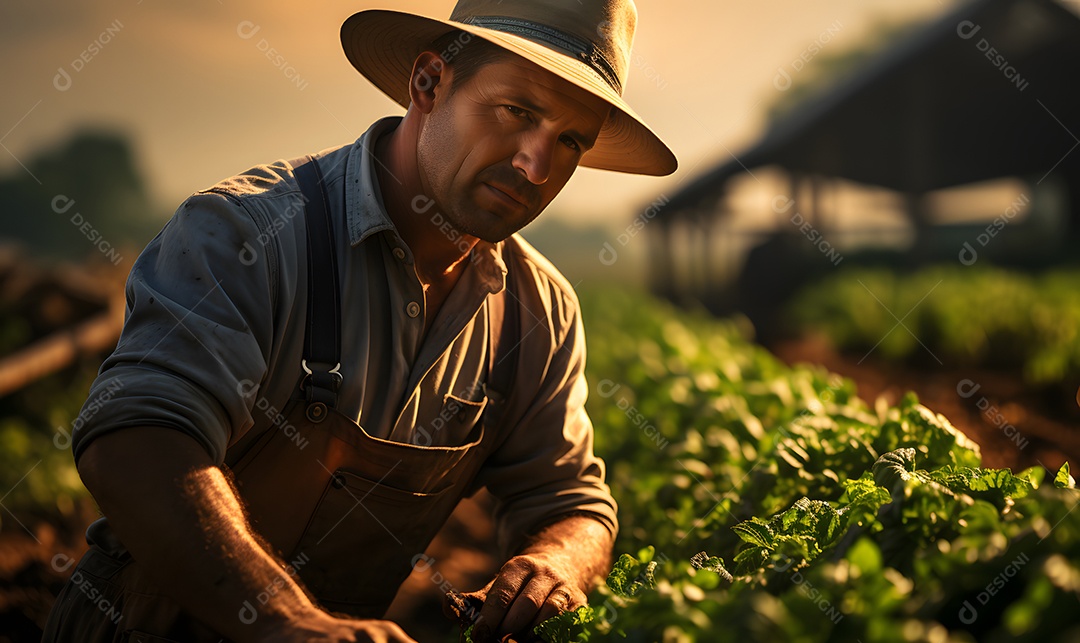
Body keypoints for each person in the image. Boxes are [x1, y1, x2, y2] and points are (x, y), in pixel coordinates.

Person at [42, 0, 676, 640]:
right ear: (428, 83)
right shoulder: (247, 235)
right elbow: (135, 442)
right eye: (519, 112)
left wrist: (554, 561)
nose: (535, 166)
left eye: (570, 140)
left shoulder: (537, 314)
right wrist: (287, 623)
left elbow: (571, 503)